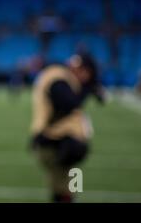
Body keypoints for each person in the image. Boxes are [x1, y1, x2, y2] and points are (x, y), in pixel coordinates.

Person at [30, 53, 105, 203]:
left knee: (65, 188)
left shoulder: (62, 77)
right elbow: (68, 103)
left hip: (55, 139)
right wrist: (88, 89)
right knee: (66, 188)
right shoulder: (58, 77)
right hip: (53, 141)